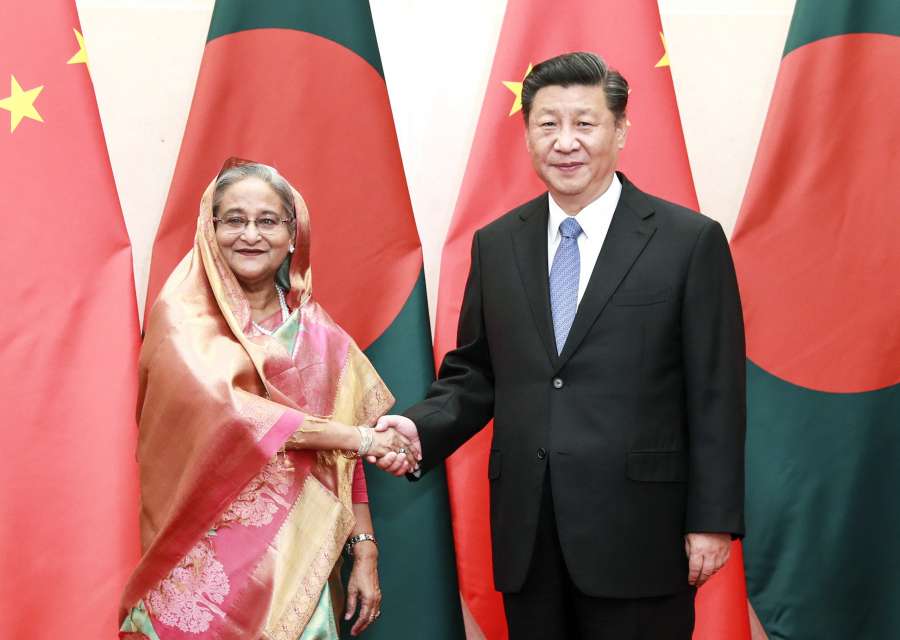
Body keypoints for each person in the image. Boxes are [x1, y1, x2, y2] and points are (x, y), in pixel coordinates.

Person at [375, 52, 746, 638]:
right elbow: (475, 373)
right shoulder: (497, 245)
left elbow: (716, 391)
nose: (565, 142)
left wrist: (713, 521)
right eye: (548, 124)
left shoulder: (688, 241)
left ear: (620, 131)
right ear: (527, 136)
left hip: (641, 534)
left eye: (585, 123)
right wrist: (420, 428)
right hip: (530, 534)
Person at [119, 160, 416, 639]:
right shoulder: (183, 321)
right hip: (199, 564)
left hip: (296, 558)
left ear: (293, 235)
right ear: (209, 230)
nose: (250, 235)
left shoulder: (319, 335)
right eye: (233, 220)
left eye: (268, 221)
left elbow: (346, 462)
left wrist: (364, 549)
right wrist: (360, 437)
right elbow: (239, 417)